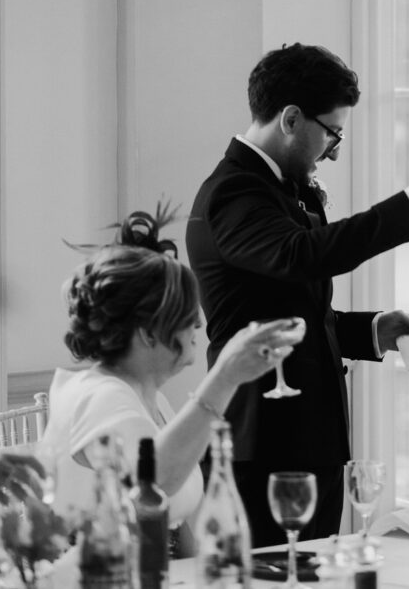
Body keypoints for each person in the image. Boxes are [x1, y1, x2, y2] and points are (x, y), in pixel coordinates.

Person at [186, 43, 409, 545]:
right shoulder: (233, 192)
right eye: (332, 132)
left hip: (310, 440)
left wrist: (371, 330)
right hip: (262, 442)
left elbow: (291, 308)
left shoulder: (280, 187)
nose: (334, 149)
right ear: (290, 118)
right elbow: (303, 255)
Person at [41, 212, 298, 539]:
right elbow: (153, 487)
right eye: (187, 315)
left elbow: (176, 519)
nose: (199, 325)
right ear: (149, 333)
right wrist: (226, 376)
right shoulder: (99, 396)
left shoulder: (151, 398)